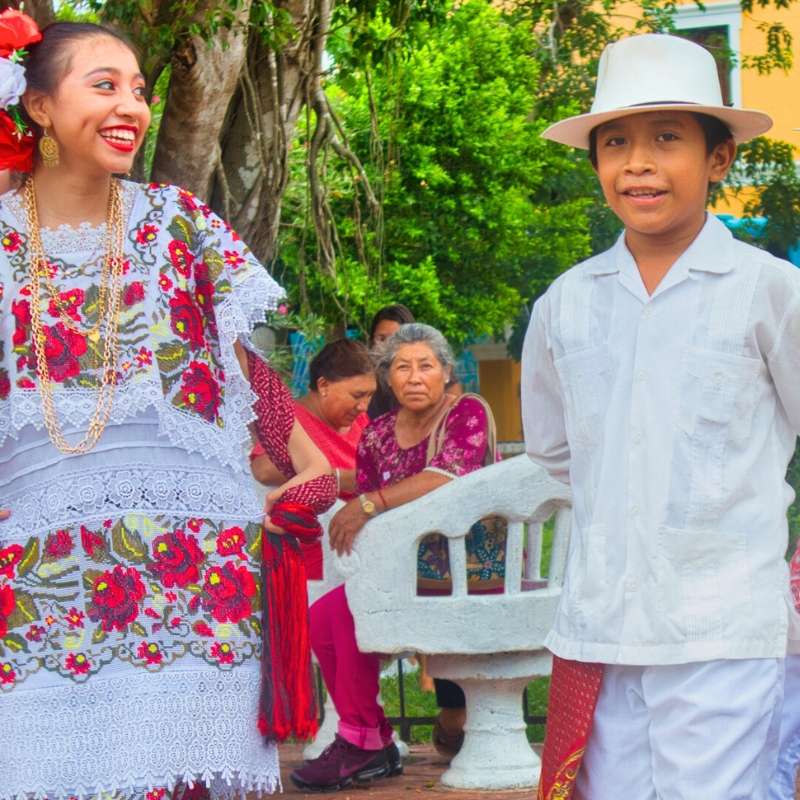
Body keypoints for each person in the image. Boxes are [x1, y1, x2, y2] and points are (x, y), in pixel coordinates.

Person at [0, 17, 297, 798]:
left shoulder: (179, 223)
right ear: (36, 107)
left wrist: (312, 466)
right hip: (46, 574)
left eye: (138, 89)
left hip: (200, 572)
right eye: (103, 85)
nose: (130, 104)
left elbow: (247, 372)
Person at [523, 33, 797, 800]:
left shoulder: (766, 292)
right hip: (602, 624)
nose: (638, 163)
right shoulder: (566, 305)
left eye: (666, 139)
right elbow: (552, 449)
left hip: (721, 626)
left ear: (718, 160)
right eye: (616, 144)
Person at [290, 323, 504, 792]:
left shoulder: (466, 411)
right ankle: (368, 737)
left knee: (346, 614)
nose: (414, 377)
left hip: (464, 566)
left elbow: (448, 477)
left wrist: (368, 503)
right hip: (403, 568)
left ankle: (363, 742)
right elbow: (368, 506)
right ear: (388, 379)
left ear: (446, 372)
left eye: (426, 366)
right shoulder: (378, 433)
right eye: (402, 367)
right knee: (325, 615)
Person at [251, 338, 376, 577]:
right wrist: (333, 475)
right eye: (358, 395)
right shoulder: (293, 420)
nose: (364, 406)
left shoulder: (360, 422)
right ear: (324, 385)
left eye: (370, 396)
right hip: (314, 559)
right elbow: (262, 470)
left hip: (358, 550)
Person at [366, 304, 415, 419]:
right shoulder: (363, 377)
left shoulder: (424, 377)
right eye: (382, 339)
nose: (388, 346)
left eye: (396, 339)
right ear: (372, 340)